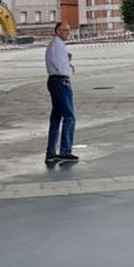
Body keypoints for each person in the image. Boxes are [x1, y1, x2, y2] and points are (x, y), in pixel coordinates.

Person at [45, 22, 77, 164]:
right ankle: (65, 151)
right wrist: (70, 69)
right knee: (69, 117)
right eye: (65, 30)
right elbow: (63, 69)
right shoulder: (57, 46)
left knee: (56, 118)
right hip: (60, 82)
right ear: (57, 31)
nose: (67, 33)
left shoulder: (56, 45)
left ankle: (51, 152)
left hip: (55, 81)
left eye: (68, 31)